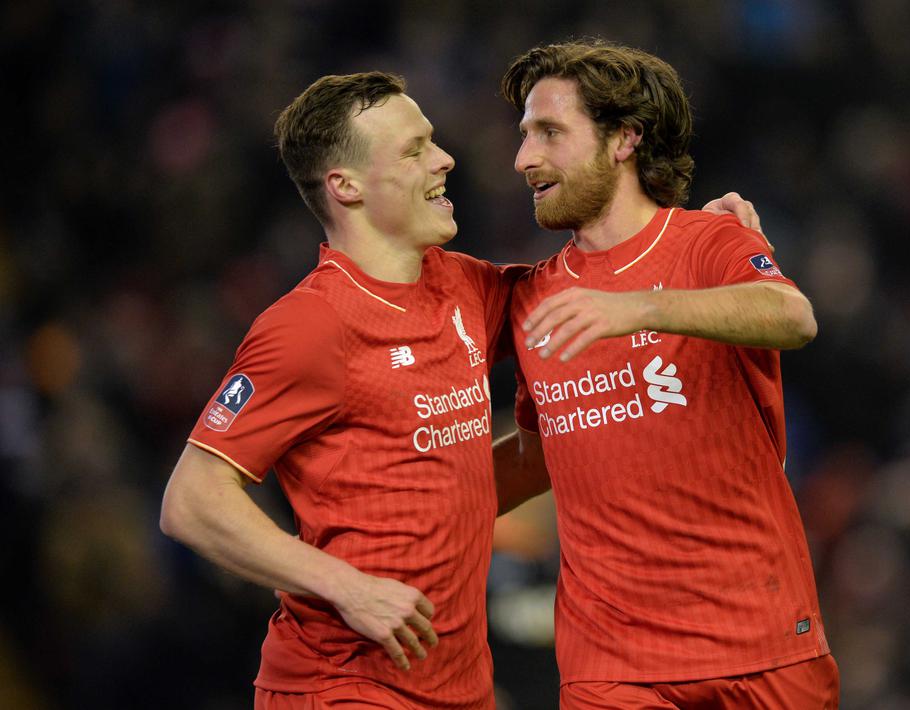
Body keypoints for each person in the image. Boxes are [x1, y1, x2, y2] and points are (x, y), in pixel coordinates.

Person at [159, 71, 760, 709]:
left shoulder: (467, 288)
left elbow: (591, 285)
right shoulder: (309, 326)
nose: (445, 159)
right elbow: (192, 500)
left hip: (458, 687)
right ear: (346, 185)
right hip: (343, 685)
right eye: (414, 150)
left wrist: (687, 238)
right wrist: (347, 587)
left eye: (434, 141)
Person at [497, 40, 841, 708]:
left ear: (623, 139)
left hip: (759, 640)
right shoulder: (531, 298)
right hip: (613, 668)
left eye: (548, 132)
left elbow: (792, 315)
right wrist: (417, 510)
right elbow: (546, 452)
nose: (523, 159)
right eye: (522, 136)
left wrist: (637, 307)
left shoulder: (708, 242)